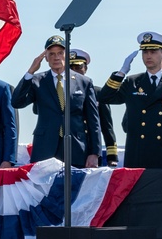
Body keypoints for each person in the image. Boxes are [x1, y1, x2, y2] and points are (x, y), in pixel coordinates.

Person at [98, 31, 162, 169]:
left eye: (153, 51)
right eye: (145, 52)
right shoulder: (132, 82)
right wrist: (121, 72)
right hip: (138, 157)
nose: (148, 56)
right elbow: (105, 97)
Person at [11, 35, 101, 168]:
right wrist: (30, 72)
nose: (56, 57)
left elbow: (93, 121)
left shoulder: (84, 82)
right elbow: (17, 102)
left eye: (60, 53)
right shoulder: (37, 80)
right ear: (45, 57)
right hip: (45, 149)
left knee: (74, 187)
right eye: (51, 54)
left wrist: (94, 152)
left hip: (76, 148)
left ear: (67, 55)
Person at [69, 48, 119, 167]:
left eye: (78, 67)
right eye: (71, 68)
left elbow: (107, 126)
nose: (75, 71)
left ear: (85, 69)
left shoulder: (97, 92)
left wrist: (112, 156)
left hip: (90, 150)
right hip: (65, 149)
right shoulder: (60, 91)